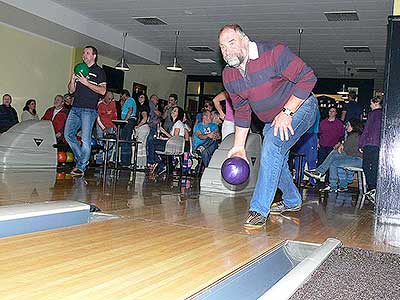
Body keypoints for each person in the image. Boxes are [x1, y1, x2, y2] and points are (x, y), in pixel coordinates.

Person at [219, 24, 318, 229]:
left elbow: (308, 77)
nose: (227, 50)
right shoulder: (229, 76)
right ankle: (292, 200)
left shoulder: (274, 52)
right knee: (274, 157)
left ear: (245, 40)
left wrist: (287, 112)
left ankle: (258, 210)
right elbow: (243, 111)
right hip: (271, 120)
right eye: (222, 47)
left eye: (231, 42)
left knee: (272, 147)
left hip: (302, 106)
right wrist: (239, 146)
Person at [65, 45, 106, 176]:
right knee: (68, 135)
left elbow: (103, 91)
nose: (84, 55)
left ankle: (81, 167)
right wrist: (73, 79)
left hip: (89, 110)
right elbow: (71, 90)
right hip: (75, 108)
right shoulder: (79, 70)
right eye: (83, 53)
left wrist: (86, 82)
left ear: (94, 56)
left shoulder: (99, 72)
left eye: (87, 53)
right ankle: (81, 159)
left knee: (86, 140)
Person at [305, 118, 364, 192]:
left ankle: (321, 174)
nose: (346, 127)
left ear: (353, 126)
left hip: (358, 160)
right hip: (353, 158)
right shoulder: (354, 135)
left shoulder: (355, 135)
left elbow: (346, 150)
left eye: (348, 125)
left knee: (334, 154)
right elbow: (348, 149)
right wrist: (342, 145)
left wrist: (341, 146)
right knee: (334, 162)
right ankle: (333, 185)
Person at [147, 106, 185, 175]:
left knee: (151, 143)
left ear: (179, 114)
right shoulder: (175, 124)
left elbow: (175, 138)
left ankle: (153, 163)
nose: (172, 111)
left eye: (175, 111)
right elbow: (172, 138)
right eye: (173, 110)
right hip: (171, 144)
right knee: (151, 146)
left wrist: (164, 131)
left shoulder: (178, 123)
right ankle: (160, 165)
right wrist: (163, 138)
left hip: (173, 146)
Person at [358, 96, 383, 199]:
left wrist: (361, 144)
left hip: (370, 143)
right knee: (376, 167)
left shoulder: (372, 114)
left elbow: (367, 130)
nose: (370, 105)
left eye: (371, 103)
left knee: (366, 166)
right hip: (379, 144)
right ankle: (376, 188)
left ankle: (373, 187)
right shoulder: (384, 114)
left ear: (375, 103)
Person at [119, 89, 137, 167]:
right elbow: (124, 110)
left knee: (126, 140)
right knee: (124, 140)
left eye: (121, 96)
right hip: (127, 121)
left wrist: (125, 121)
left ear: (124, 95)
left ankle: (126, 162)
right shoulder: (126, 101)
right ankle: (124, 161)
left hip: (129, 121)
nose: (120, 97)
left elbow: (130, 110)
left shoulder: (130, 99)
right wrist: (122, 104)